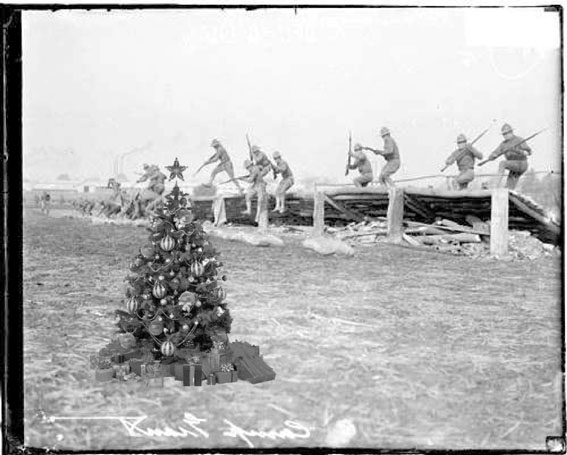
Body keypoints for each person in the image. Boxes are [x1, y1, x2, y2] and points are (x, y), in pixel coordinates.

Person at [481, 123, 532, 190]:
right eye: (504, 134)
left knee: (502, 163)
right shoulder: (503, 144)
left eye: (507, 133)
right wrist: (492, 156)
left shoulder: (519, 140)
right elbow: (496, 152)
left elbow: (529, 152)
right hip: (513, 167)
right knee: (508, 188)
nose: (505, 136)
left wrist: (518, 151)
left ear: (511, 132)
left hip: (521, 163)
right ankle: (504, 191)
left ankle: (495, 185)